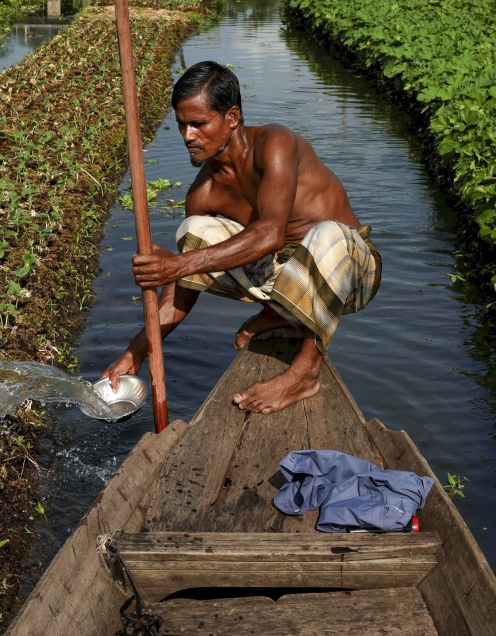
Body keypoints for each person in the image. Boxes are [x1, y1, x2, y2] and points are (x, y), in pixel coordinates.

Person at [100, 61, 381, 414]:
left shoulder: (275, 144)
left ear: (232, 117)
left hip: (349, 272)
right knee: (194, 231)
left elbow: (271, 234)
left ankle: (305, 372)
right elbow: (184, 282)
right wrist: (136, 350)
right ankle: (280, 312)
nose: (188, 136)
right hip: (282, 277)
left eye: (198, 124)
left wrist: (178, 265)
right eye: (182, 125)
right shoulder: (204, 191)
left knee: (329, 235)